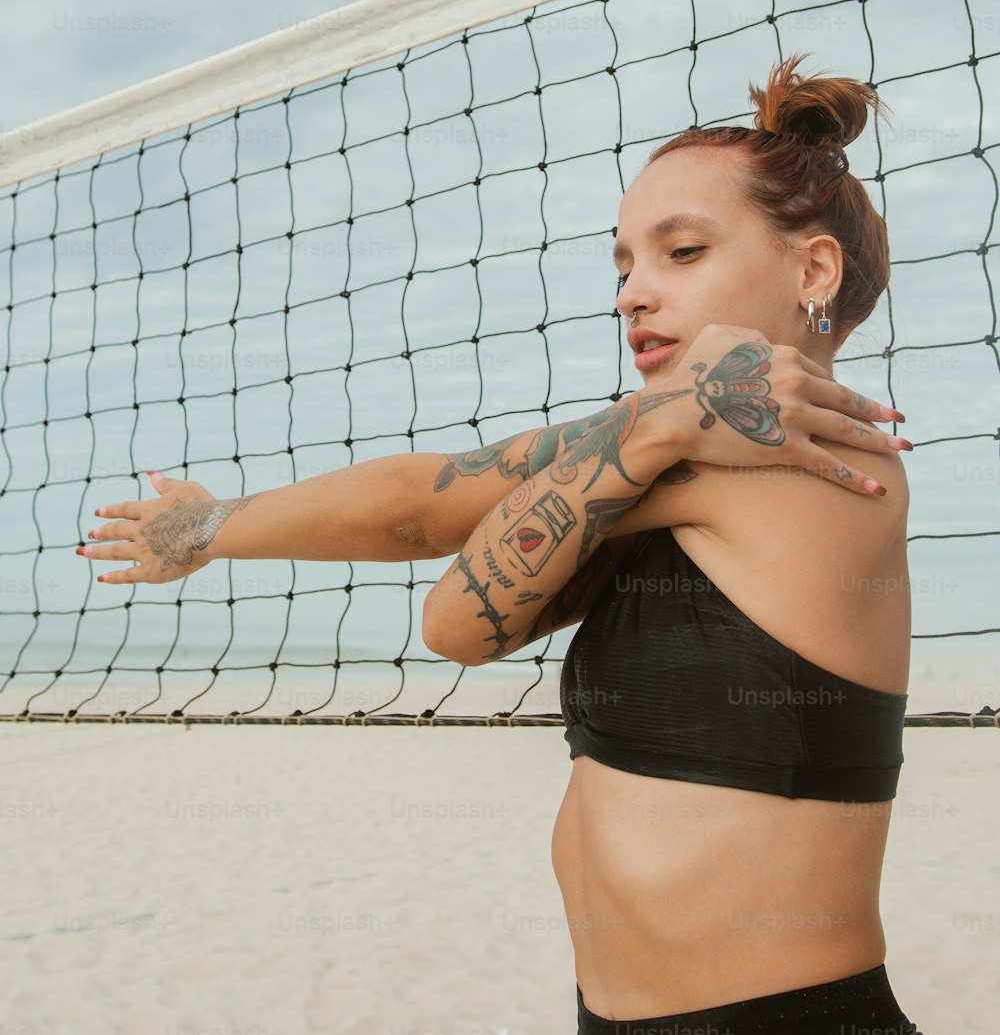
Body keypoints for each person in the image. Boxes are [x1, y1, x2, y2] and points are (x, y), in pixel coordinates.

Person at [78, 53, 921, 1034]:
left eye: (681, 253)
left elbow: (455, 620)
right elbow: (423, 497)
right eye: (623, 264)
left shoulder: (784, 453)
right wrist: (213, 526)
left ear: (811, 270)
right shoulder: (672, 437)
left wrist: (653, 430)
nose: (632, 295)